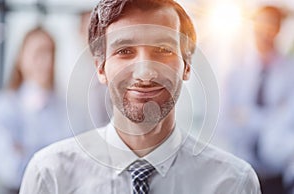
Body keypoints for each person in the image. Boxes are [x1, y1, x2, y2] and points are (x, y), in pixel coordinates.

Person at [19, 0, 261, 193]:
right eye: (125, 51)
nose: (145, 72)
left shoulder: (233, 183)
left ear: (187, 65)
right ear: (101, 68)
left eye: (163, 50)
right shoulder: (50, 176)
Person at [218, 5, 294, 194]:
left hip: (278, 173)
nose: (266, 32)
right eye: (262, 25)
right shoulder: (236, 71)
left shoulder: (290, 72)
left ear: (279, 29)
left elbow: (287, 119)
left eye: (272, 26)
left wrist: (247, 116)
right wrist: (270, 119)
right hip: (240, 171)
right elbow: (225, 122)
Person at [0, 27, 74, 194]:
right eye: (39, 53)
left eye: (51, 53)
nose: (47, 61)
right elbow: (12, 171)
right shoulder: (3, 107)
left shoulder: (66, 108)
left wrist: (26, 151)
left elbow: (74, 165)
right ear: (21, 57)